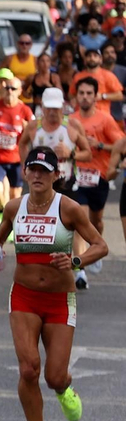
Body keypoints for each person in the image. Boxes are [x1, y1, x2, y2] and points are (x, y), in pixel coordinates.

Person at [0, 146, 107, 421]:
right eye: (33, 169)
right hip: (23, 297)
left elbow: (100, 245)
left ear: (56, 175)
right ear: (25, 172)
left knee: (54, 376)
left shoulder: (68, 209)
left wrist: (75, 261)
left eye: (44, 170)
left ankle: (64, 388)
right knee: (28, 369)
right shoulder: (14, 207)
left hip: (59, 300)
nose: (37, 175)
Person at [65, 75, 124, 287]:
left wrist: (99, 145)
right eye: (81, 93)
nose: (85, 97)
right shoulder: (70, 120)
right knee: (79, 218)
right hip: (76, 176)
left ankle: (95, 247)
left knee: (96, 220)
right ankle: (80, 270)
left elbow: (120, 146)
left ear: (95, 96)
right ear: (76, 96)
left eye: (89, 93)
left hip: (99, 176)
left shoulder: (105, 119)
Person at [0, 68, 36, 230]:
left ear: (20, 91)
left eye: (13, 88)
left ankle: (10, 226)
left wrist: (27, 131)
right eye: (7, 88)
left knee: (14, 197)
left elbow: (34, 128)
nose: (9, 91)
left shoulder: (24, 110)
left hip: (16, 160)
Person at [79, 47, 124, 116]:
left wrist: (102, 96)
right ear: (84, 60)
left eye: (95, 56)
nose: (92, 58)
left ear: (101, 59)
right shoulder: (78, 76)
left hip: (103, 115)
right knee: (65, 119)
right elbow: (71, 94)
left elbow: (120, 96)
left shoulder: (108, 75)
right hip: (82, 115)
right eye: (89, 56)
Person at [3, 35, 39, 105]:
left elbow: (40, 77)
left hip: (28, 99)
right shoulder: (9, 59)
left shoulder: (35, 60)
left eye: (27, 43)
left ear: (31, 45)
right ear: (18, 44)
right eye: (22, 43)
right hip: (11, 98)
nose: (24, 46)